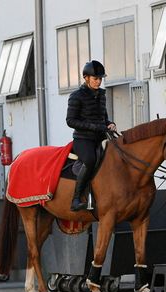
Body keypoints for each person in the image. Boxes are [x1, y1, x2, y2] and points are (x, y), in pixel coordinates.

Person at [66, 60, 117, 211]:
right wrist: (93, 127)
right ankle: (76, 199)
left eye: (100, 79)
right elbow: (70, 120)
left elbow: (104, 117)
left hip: (100, 136)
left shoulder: (102, 95)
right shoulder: (76, 96)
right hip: (83, 139)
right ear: (86, 78)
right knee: (90, 160)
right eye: (96, 79)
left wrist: (110, 124)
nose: (98, 82)